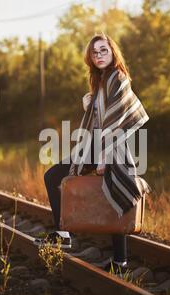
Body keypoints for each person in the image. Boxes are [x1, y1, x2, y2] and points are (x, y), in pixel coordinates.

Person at [34, 33, 151, 273]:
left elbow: (117, 118)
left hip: (109, 147)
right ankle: (118, 260)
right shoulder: (101, 81)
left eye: (103, 50)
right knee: (108, 194)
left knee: (57, 177)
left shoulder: (117, 77)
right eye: (95, 52)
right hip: (97, 146)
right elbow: (102, 117)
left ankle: (67, 236)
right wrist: (91, 103)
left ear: (113, 52)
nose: (99, 55)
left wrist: (105, 157)